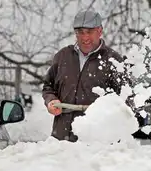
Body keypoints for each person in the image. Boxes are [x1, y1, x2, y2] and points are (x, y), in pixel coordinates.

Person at [42, 9, 131, 142]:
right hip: (61, 138)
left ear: (100, 31)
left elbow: (126, 98)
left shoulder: (113, 60)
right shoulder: (62, 56)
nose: (84, 38)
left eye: (89, 32)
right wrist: (51, 100)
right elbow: (48, 86)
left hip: (97, 141)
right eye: (80, 32)